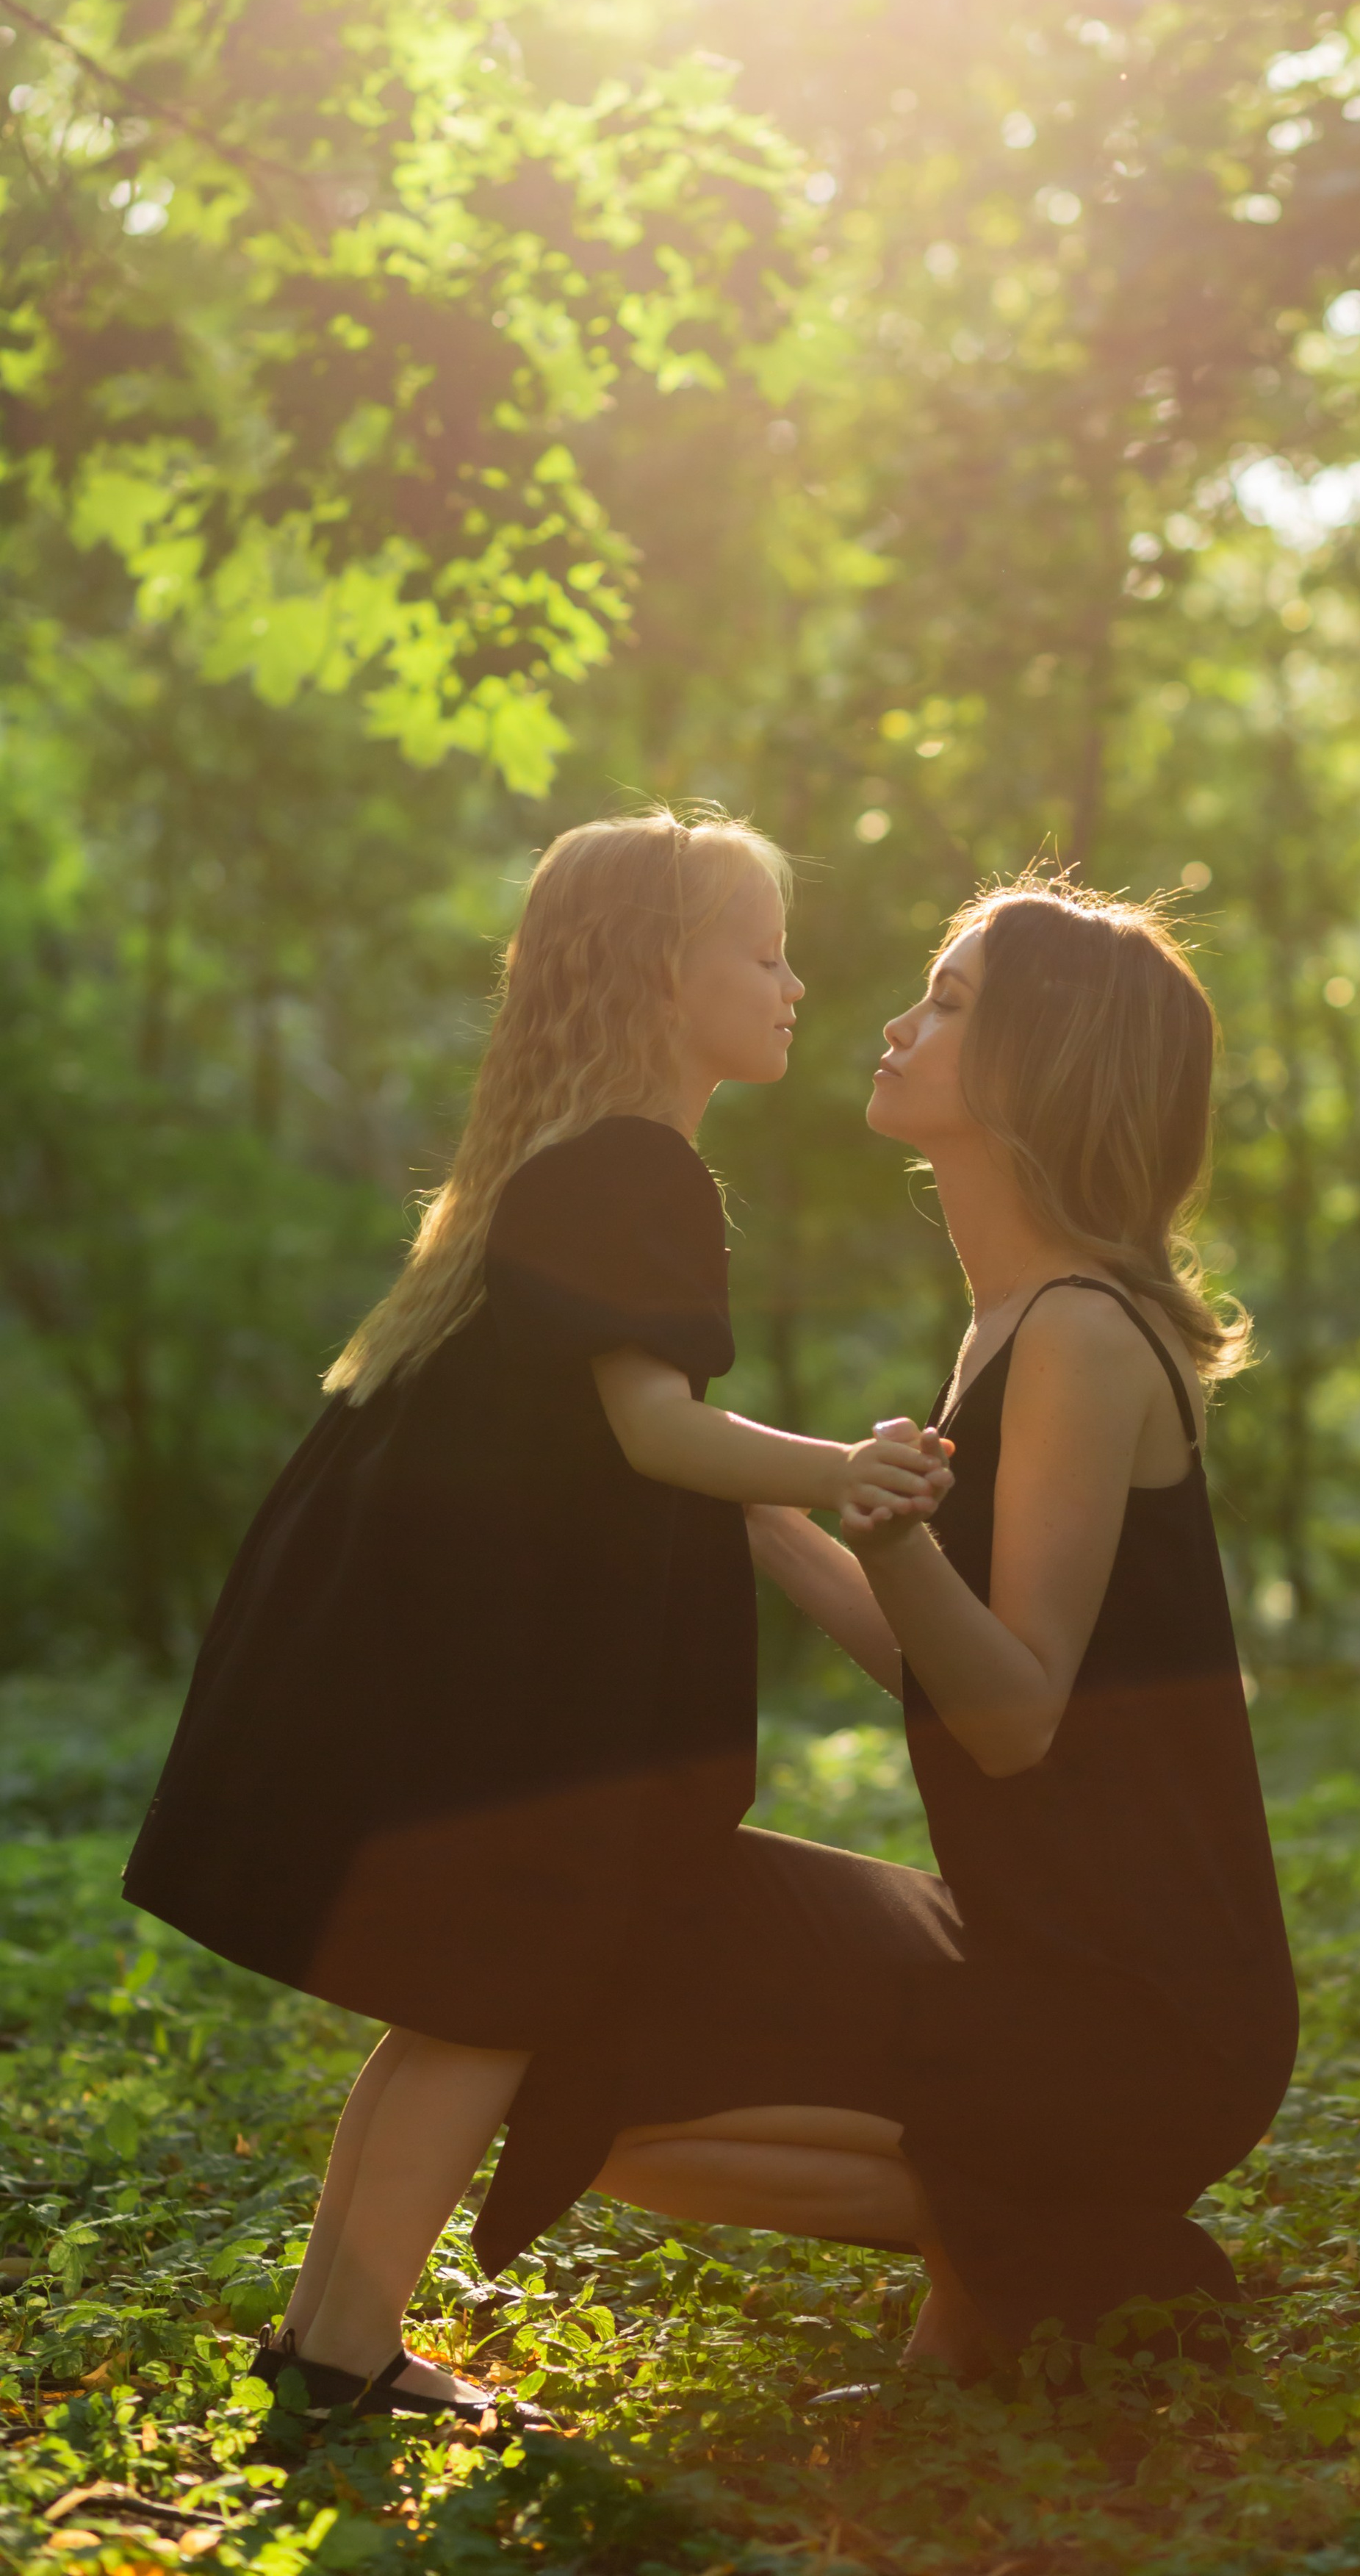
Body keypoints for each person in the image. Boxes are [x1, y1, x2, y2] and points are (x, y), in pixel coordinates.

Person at [121, 811, 950, 2417]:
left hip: (479, 1670)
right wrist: (846, 1464)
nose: (795, 983)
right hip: (517, 1694)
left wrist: (793, 1494)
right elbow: (654, 1430)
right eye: (763, 951)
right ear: (664, 973)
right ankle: (345, 2359)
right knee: (484, 2012)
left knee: (456, 2011)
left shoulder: (573, 1166)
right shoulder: (636, 1170)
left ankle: (328, 2343)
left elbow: (625, 1434)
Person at [475, 872, 1295, 2375]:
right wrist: (750, 1491)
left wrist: (893, 1532)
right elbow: (937, 1649)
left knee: (616, 2082)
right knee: (592, 1965)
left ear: (1043, 1065)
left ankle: (1074, 2249)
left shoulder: (1080, 1334)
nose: (897, 1024)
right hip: (1021, 1937)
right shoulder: (1006, 1323)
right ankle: (1038, 2246)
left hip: (1144, 2009)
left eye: (952, 1002)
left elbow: (1011, 1711)